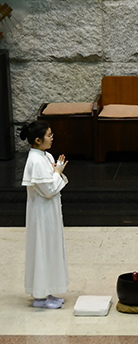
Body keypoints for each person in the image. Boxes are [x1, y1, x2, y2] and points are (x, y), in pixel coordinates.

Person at [20, 120, 69, 309]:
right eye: (49, 135)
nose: (52, 138)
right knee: (42, 249)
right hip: (41, 213)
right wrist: (57, 172)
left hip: (49, 211)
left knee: (49, 249)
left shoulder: (45, 155)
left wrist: (57, 169)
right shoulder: (35, 160)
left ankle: (47, 291)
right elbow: (48, 189)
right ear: (38, 140)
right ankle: (40, 296)